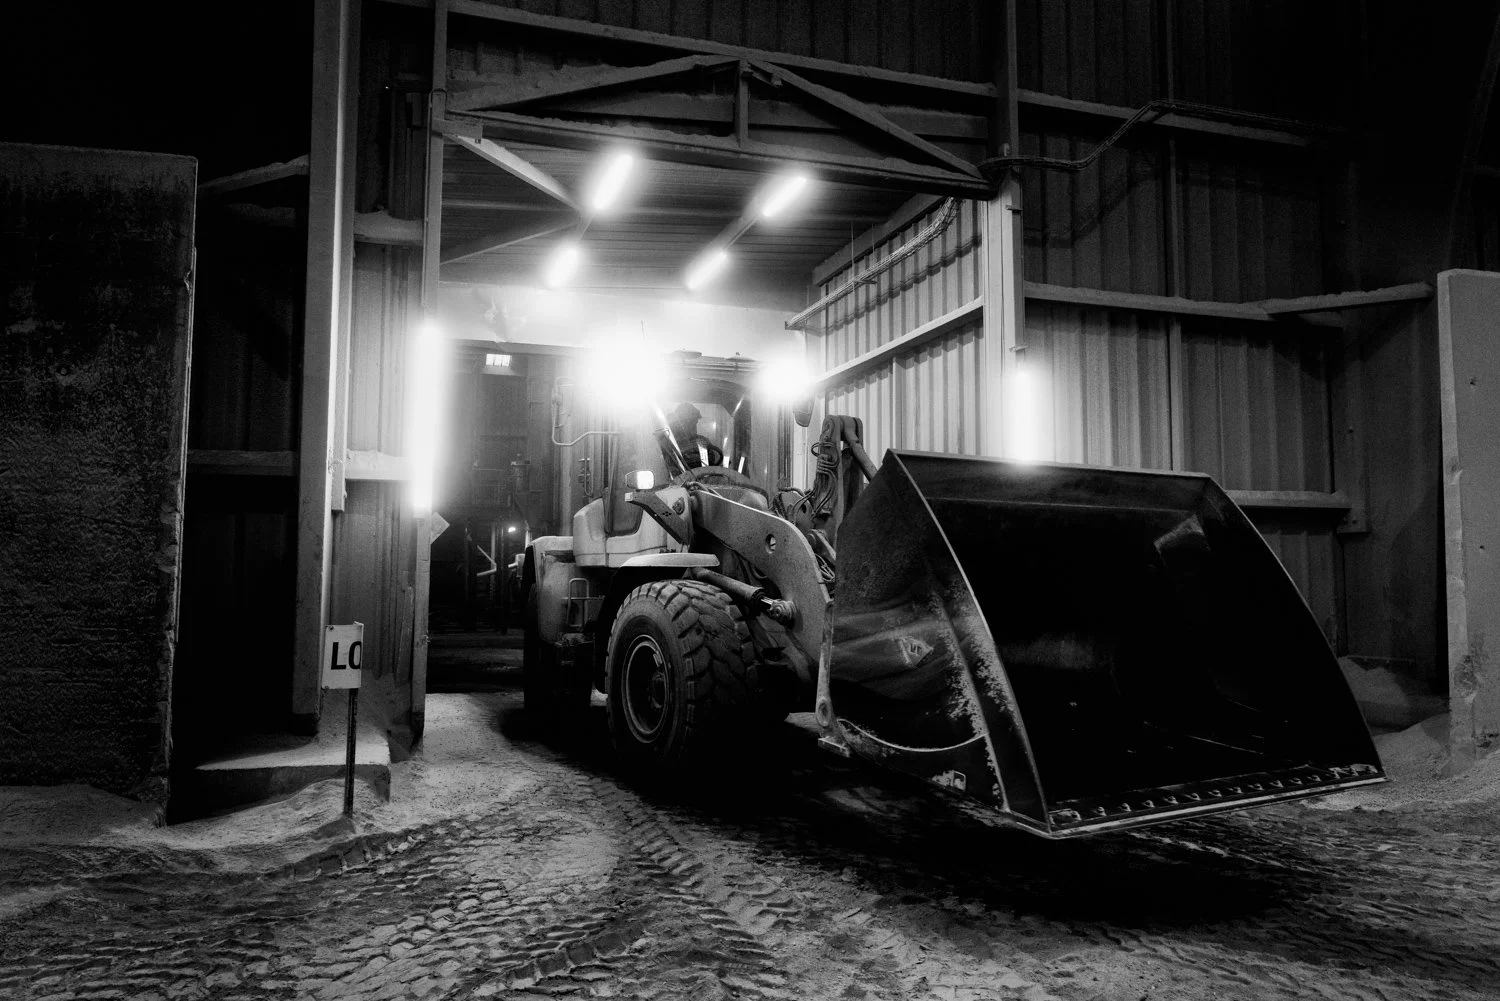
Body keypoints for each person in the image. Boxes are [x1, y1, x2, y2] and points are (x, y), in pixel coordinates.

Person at [663, 401, 723, 469]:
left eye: (695, 422)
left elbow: (710, 466)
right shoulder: (669, 443)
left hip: (701, 478)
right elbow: (668, 467)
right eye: (690, 422)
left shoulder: (703, 441)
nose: (694, 426)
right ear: (680, 423)